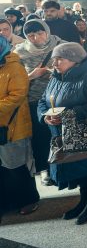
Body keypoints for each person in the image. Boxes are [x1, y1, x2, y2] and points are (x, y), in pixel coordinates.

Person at [39, 43, 87, 225]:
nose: (55, 63)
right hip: (63, 132)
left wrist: (68, 114)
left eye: (59, 59)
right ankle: (84, 201)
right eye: (54, 59)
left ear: (74, 61)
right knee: (78, 167)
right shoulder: (55, 77)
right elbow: (42, 101)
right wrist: (45, 116)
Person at [14, 19, 63, 186]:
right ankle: (45, 169)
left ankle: (64, 167)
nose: (36, 38)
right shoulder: (19, 52)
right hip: (34, 98)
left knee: (61, 133)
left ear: (47, 31)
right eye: (31, 35)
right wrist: (32, 75)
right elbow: (16, 80)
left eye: (40, 33)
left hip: (59, 97)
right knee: (41, 136)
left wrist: (57, 72)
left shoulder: (61, 46)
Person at [0, 36, 39, 219]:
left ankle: (28, 199)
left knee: (16, 166)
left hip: (13, 126)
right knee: (3, 168)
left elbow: (17, 96)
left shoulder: (15, 66)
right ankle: (7, 202)